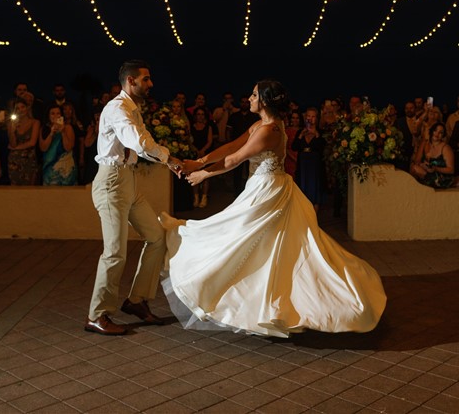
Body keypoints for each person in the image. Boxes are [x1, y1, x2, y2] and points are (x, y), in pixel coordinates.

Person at [162, 79, 385, 337]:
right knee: (257, 243)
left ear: (265, 101)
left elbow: (235, 159)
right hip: (265, 186)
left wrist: (203, 174)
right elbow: (232, 145)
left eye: (255, 94)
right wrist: (197, 161)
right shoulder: (261, 125)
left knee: (241, 236)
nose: (250, 97)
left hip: (267, 191)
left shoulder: (270, 131)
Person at [85, 60, 188, 337]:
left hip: (128, 181)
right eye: (146, 79)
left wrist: (170, 161)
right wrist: (168, 157)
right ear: (131, 81)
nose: (151, 84)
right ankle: (97, 315)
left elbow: (142, 143)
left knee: (156, 237)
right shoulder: (117, 108)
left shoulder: (132, 109)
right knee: (115, 252)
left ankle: (136, 300)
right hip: (111, 183)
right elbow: (139, 143)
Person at [292, 107, 327, 207]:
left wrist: (316, 135)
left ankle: (314, 217)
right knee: (302, 188)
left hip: (315, 164)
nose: (310, 119)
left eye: (313, 116)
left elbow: (322, 147)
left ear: (317, 118)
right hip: (303, 163)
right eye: (308, 116)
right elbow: (294, 147)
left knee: (315, 189)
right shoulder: (300, 132)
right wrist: (300, 135)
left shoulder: (321, 132)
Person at [40, 105, 77, 186]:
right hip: (49, 168)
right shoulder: (44, 129)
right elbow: (43, 148)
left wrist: (63, 132)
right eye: (52, 114)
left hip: (66, 168)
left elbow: (68, 147)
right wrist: (51, 134)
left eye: (58, 113)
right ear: (48, 116)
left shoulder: (68, 128)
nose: (55, 116)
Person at [411, 123, 456, 189]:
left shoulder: (446, 148)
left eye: (440, 133)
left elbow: (451, 170)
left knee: (416, 169)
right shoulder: (425, 143)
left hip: (442, 177)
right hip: (428, 173)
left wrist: (435, 168)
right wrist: (423, 165)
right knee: (414, 168)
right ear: (431, 131)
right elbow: (417, 161)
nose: (437, 134)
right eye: (435, 131)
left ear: (443, 135)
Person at [7, 100, 40, 186]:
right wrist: (12, 131)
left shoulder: (35, 122)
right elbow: (13, 143)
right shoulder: (12, 123)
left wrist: (15, 148)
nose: (21, 110)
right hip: (15, 160)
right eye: (17, 108)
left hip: (29, 159)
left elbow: (32, 142)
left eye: (22, 107)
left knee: (30, 187)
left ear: (27, 108)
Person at [189, 107, 214, 208]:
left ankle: (204, 197)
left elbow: (210, 141)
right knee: (193, 174)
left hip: (205, 154)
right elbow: (189, 140)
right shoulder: (191, 127)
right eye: (198, 114)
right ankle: (196, 197)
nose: (200, 116)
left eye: (202, 114)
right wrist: (196, 150)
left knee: (205, 175)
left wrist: (203, 151)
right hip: (194, 153)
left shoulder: (208, 127)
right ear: (195, 116)